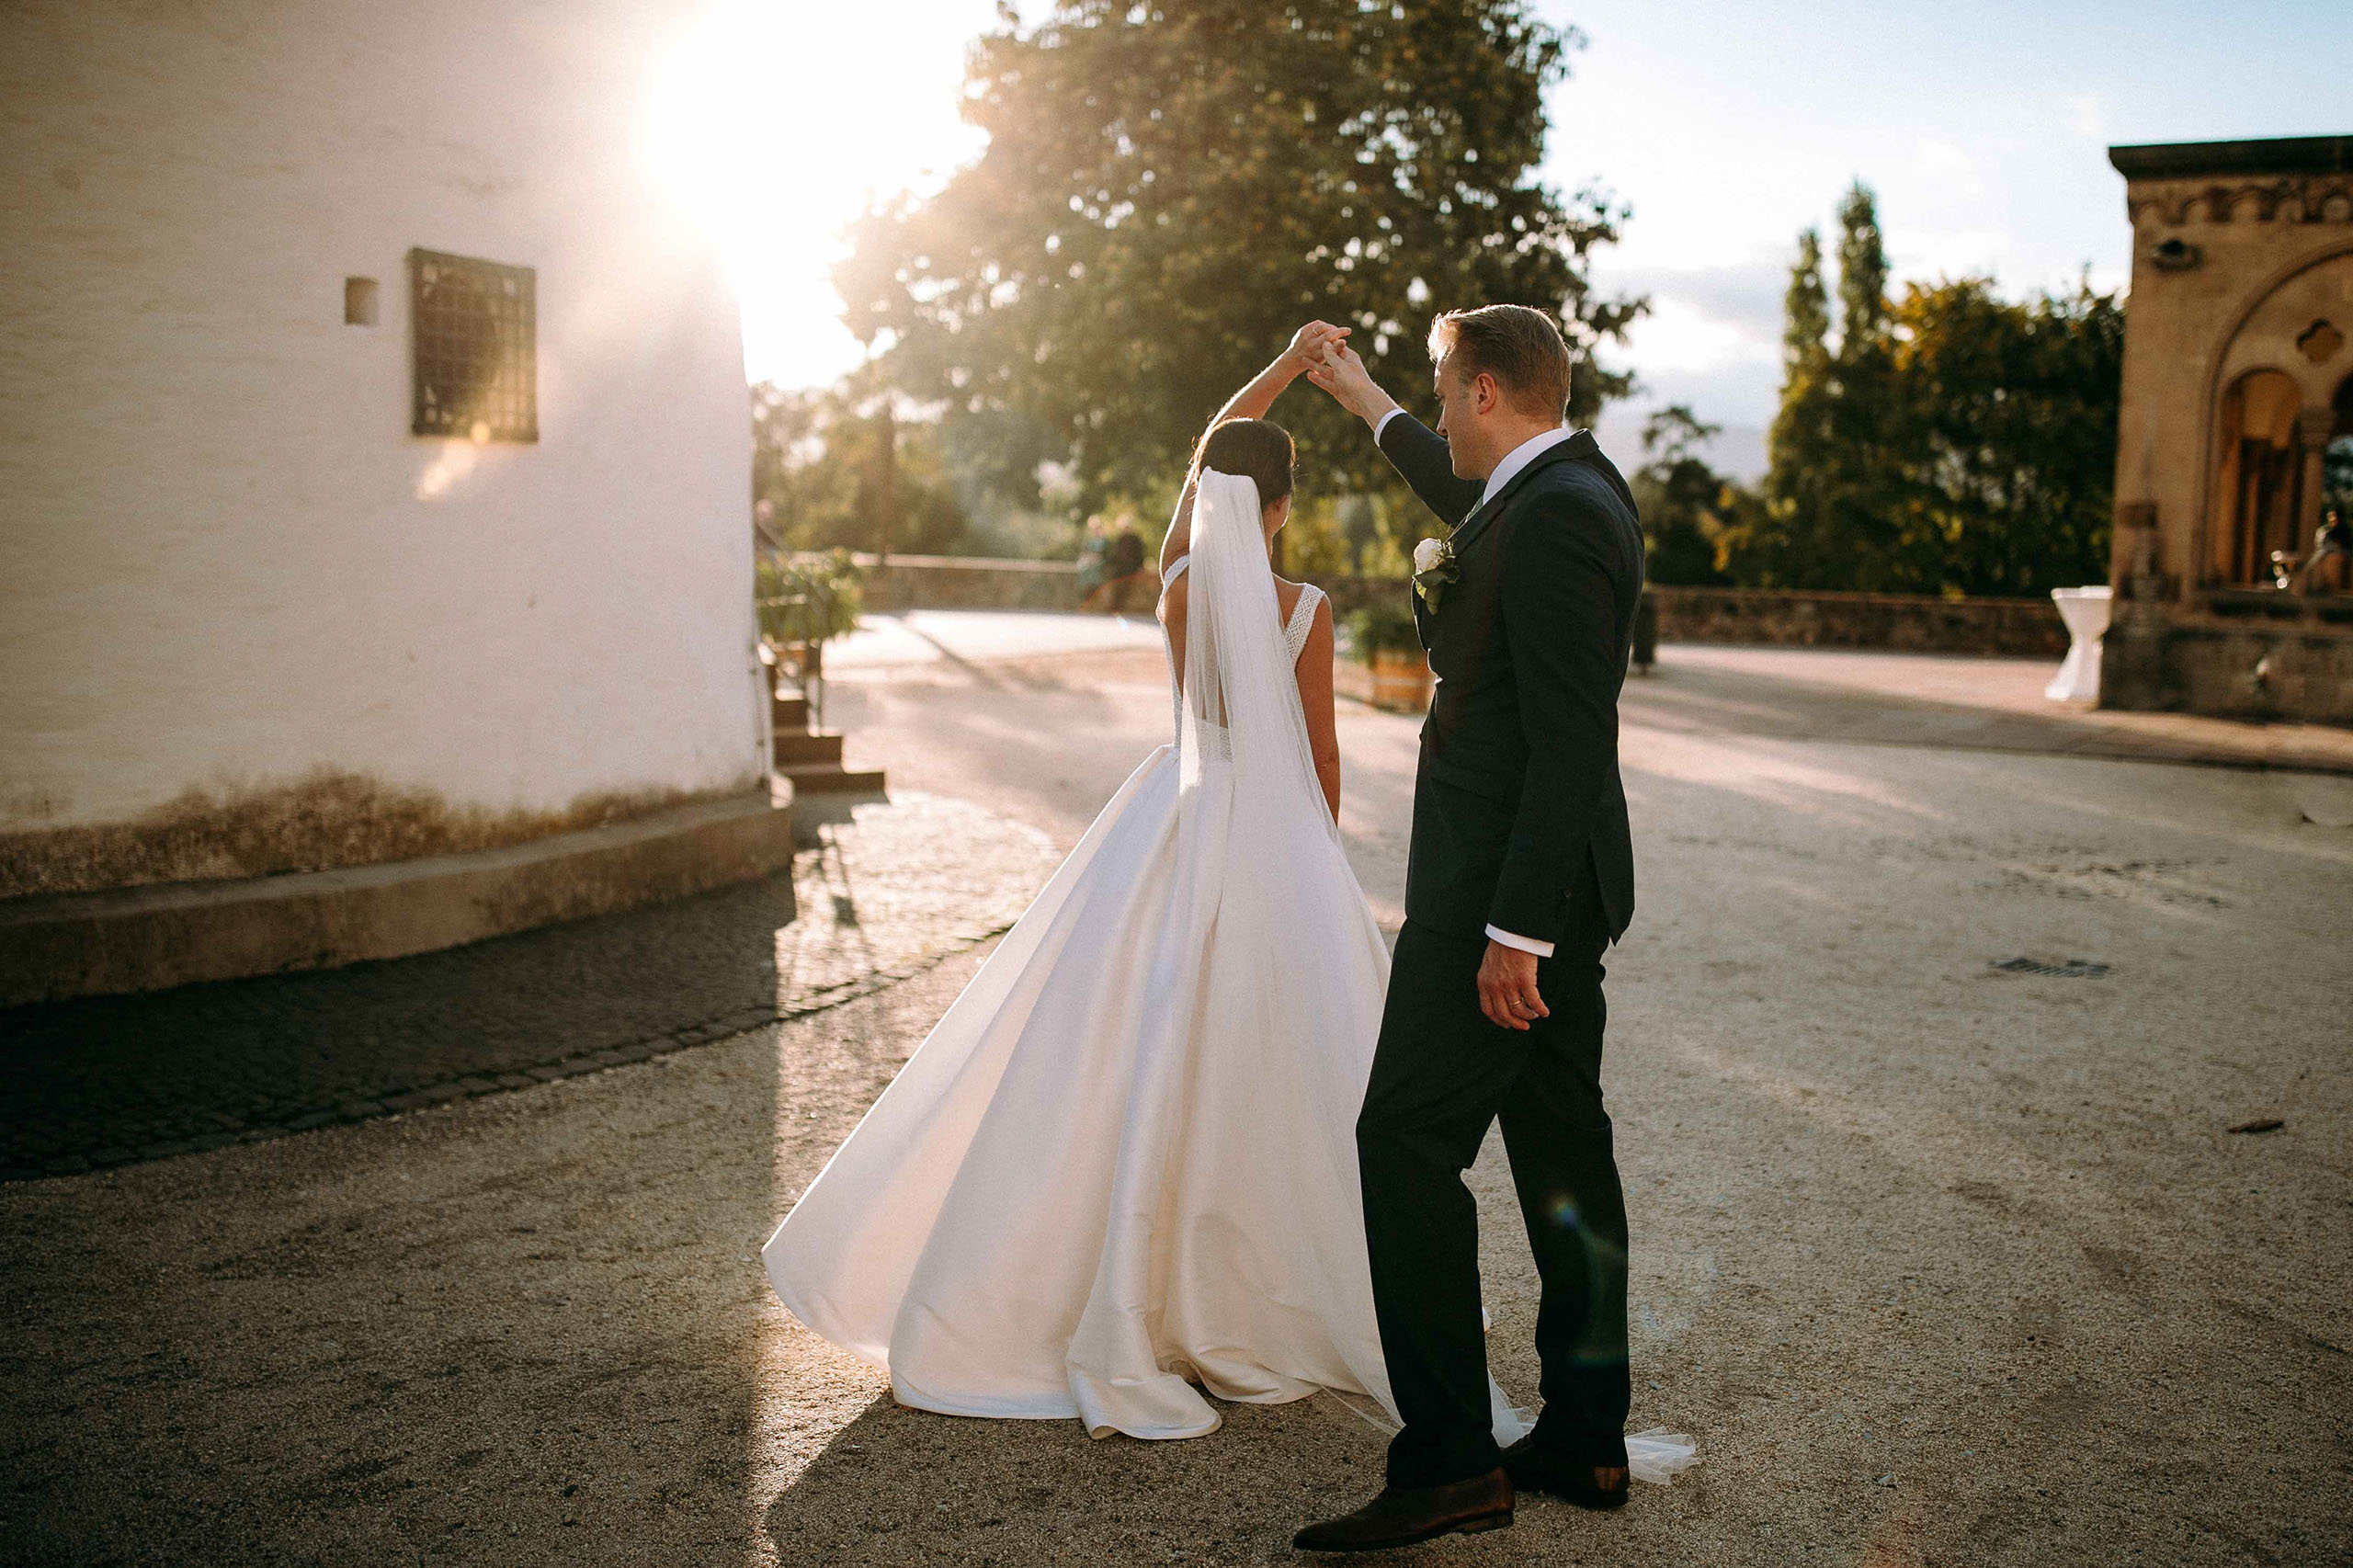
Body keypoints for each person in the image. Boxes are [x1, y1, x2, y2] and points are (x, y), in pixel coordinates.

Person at [759, 324, 1528, 1447]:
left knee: (1125, 1043)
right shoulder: (1303, 610)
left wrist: (1279, 366)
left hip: (1174, 817)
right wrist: (1308, 866)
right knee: (1295, 1058)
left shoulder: (1175, 588)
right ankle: (1284, 1284)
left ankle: (1124, 1282)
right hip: (1271, 833)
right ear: (1278, 510)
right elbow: (1320, 761)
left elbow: (1202, 460)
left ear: (1208, 502)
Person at [1291, 304, 1690, 1551]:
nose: (1435, 412)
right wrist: (1360, 396)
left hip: (1504, 903)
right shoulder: (1552, 484)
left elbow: (1576, 738)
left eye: (1433, 389)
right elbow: (1457, 489)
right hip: (1544, 896)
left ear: (1483, 392)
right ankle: (1584, 1434)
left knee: (1403, 1138)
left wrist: (1515, 932)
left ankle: (1452, 1458)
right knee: (1567, 1153)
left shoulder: (1561, 513)